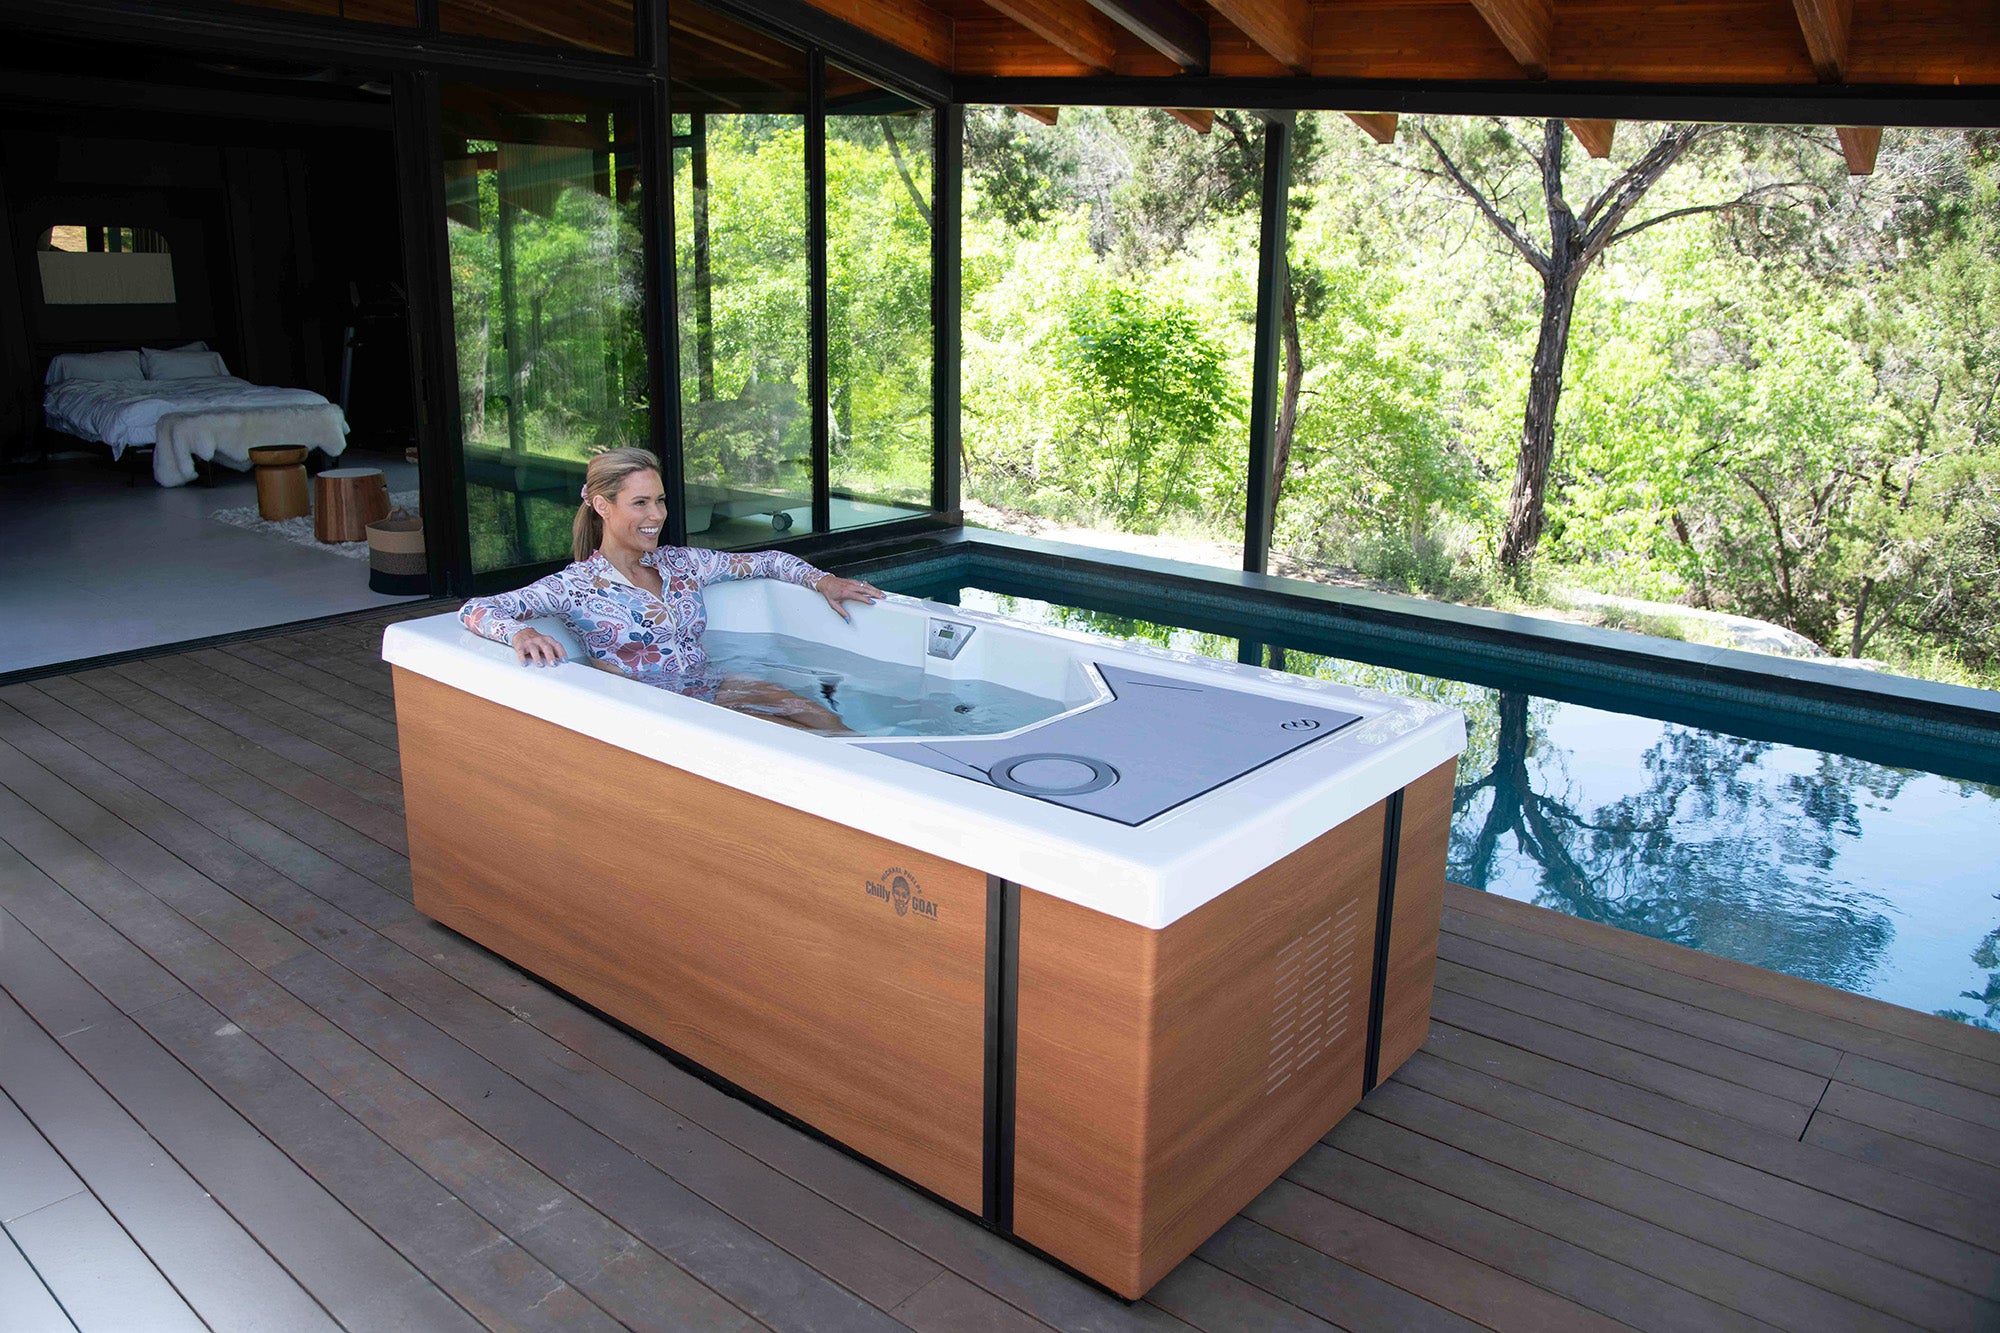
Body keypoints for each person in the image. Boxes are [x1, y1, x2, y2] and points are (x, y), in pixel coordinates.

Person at [458, 447, 884, 732]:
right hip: (665, 715)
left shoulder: (681, 563)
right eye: (640, 503)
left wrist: (825, 581)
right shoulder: (576, 586)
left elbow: (769, 560)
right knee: (799, 742)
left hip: (717, 685)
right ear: (603, 507)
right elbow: (476, 608)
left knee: (828, 724)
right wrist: (522, 632)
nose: (657, 514)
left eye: (659, 500)